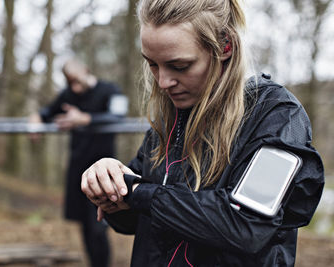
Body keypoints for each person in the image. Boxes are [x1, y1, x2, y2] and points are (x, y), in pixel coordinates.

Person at [81, 0, 325, 266]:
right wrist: (108, 182)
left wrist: (138, 193)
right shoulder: (171, 117)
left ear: (225, 46)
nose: (163, 82)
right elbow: (133, 219)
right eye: (152, 64)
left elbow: (247, 224)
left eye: (180, 66)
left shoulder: (277, 116)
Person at [30, 58, 127, 267]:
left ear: (86, 70)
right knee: (84, 225)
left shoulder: (109, 89)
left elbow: (118, 116)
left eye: (77, 81)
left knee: (98, 226)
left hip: (103, 169)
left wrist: (85, 119)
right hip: (78, 168)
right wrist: (37, 117)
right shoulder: (69, 94)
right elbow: (48, 111)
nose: (74, 87)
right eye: (70, 82)